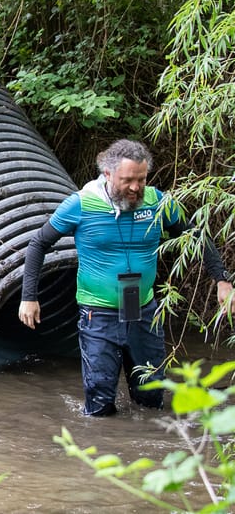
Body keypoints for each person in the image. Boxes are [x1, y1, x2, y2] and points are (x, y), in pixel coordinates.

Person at [18, 139, 234, 416]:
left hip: (144, 310)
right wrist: (28, 297)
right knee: (100, 400)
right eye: (128, 180)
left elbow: (195, 236)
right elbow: (38, 244)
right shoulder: (81, 205)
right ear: (107, 174)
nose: (135, 187)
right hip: (98, 312)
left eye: (141, 179)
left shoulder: (158, 202)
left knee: (152, 395)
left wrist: (222, 280)